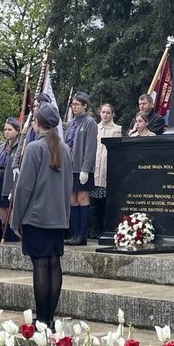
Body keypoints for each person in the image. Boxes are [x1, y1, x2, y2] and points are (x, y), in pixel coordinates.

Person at [11, 102, 73, 329]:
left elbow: (24, 187)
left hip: (36, 217)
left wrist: (15, 219)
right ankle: (50, 318)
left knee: (40, 266)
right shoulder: (65, 149)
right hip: (57, 217)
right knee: (53, 264)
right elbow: (68, 187)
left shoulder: (34, 148)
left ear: (37, 123)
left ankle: (41, 319)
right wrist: (65, 217)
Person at [64, 91, 98, 246]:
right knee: (72, 199)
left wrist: (86, 168)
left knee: (82, 199)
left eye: (77, 104)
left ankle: (82, 235)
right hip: (69, 167)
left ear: (85, 106)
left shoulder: (89, 122)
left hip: (82, 168)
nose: (74, 107)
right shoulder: (72, 123)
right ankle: (75, 233)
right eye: (73, 104)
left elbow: (91, 148)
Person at [0, 118, 24, 243]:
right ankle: (6, 238)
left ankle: (13, 240)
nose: (7, 132)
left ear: (17, 130)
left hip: (10, 182)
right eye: (5, 130)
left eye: (10, 129)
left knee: (11, 217)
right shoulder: (1, 147)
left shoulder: (20, 146)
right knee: (3, 217)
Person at [92, 103, 122, 239]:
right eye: (103, 112)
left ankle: (107, 229)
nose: (105, 115)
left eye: (108, 112)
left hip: (107, 168)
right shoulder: (95, 128)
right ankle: (96, 230)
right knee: (96, 203)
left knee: (106, 202)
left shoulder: (117, 129)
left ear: (112, 114)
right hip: (96, 168)